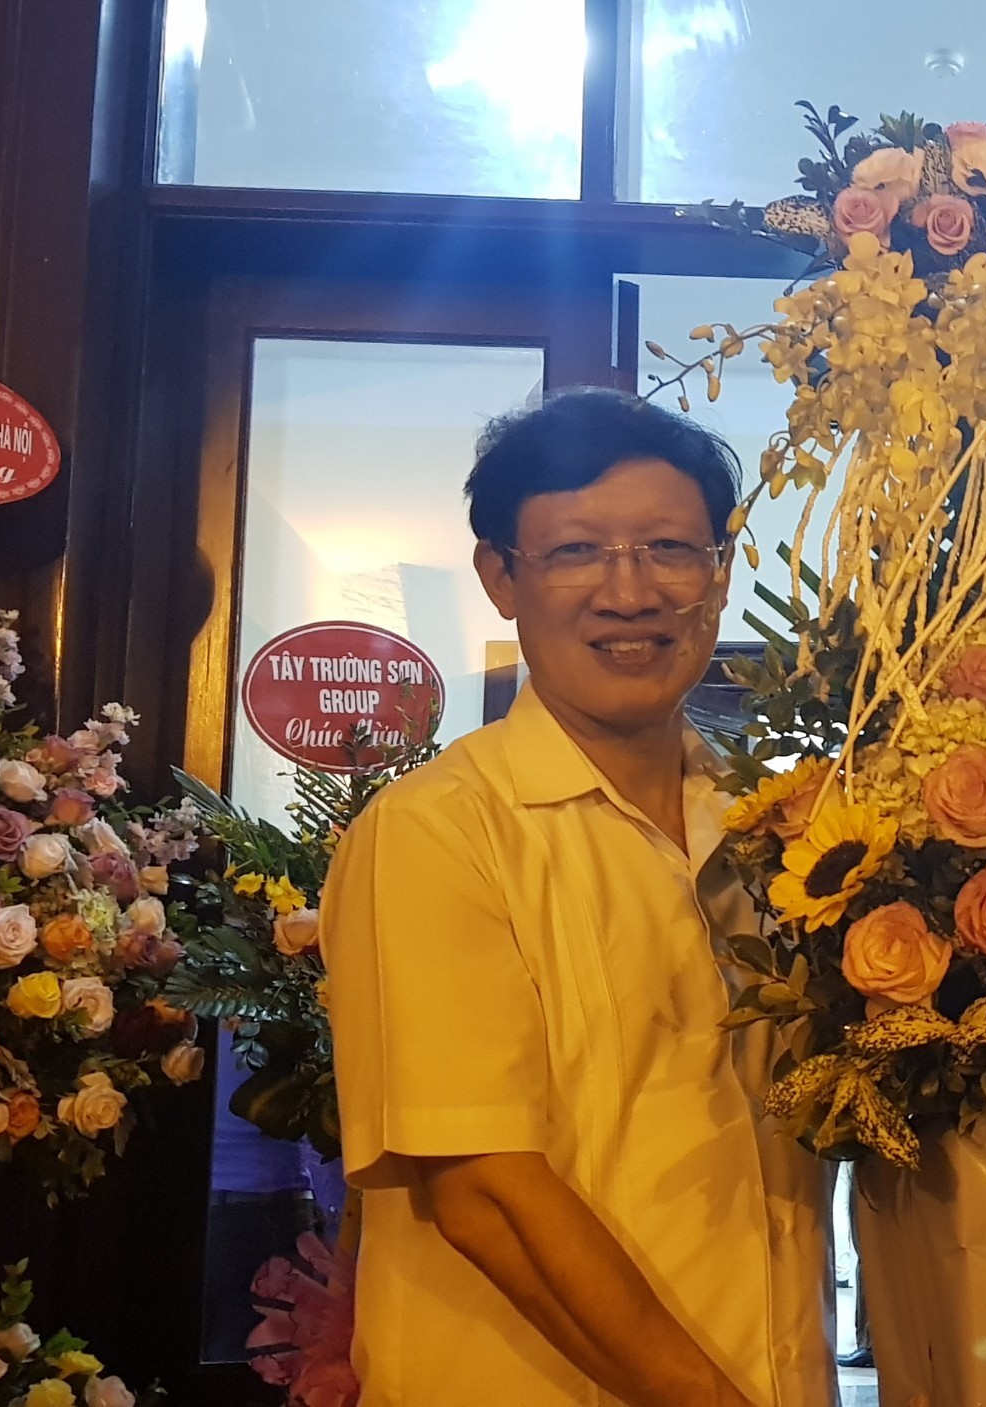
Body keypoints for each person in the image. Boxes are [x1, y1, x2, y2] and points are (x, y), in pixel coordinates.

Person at [321, 389, 834, 1407]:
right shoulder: (439, 831)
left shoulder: (778, 837)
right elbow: (483, 1192)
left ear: (721, 572)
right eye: (576, 553)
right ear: (500, 578)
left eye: (670, 549)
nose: (629, 593)